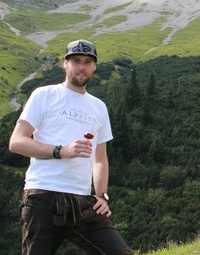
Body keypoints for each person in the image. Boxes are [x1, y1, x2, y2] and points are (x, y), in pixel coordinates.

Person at [9, 39, 133, 254]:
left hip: (82, 200)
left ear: (94, 67)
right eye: (76, 60)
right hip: (43, 196)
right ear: (64, 64)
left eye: (87, 61)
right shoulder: (44, 95)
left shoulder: (99, 107)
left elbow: (100, 158)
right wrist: (61, 151)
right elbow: (17, 142)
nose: (81, 66)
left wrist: (102, 195)